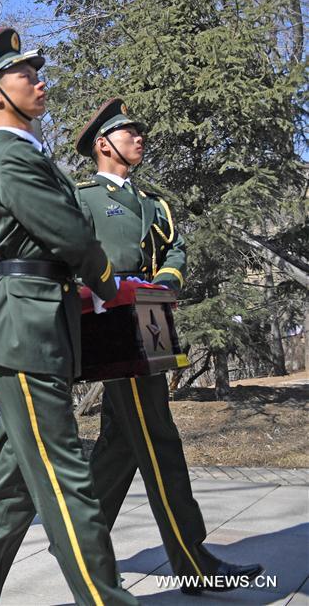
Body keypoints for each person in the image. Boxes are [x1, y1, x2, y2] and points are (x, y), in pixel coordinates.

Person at [0, 28, 135, 606]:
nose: (40, 80)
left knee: (16, 476)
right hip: (28, 329)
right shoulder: (11, 161)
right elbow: (72, 234)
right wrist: (106, 282)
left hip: (41, 325)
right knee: (64, 474)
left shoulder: (28, 156)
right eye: (27, 74)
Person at [75, 98, 263, 595]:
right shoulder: (83, 198)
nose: (140, 138)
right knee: (159, 440)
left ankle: (77, 542)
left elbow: (175, 247)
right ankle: (192, 561)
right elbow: (72, 253)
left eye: (140, 132)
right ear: (103, 144)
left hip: (149, 318)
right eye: (128, 133)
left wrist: (167, 280)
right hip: (111, 327)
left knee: (121, 445)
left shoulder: (154, 203)